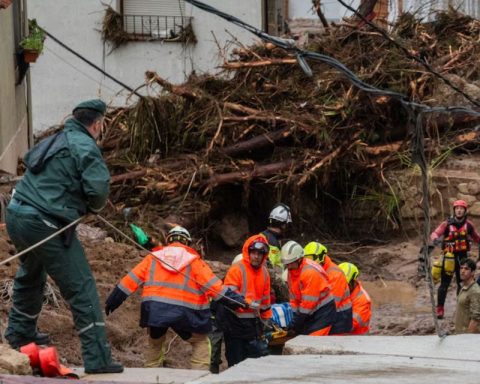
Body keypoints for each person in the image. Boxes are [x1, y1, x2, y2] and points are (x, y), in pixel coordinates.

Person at [4, 99, 123, 374]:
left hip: (16, 214)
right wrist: (92, 207)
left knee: (32, 272)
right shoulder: (86, 146)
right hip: (44, 222)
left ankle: (20, 335)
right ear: (97, 124)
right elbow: (98, 189)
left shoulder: (56, 139)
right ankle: (98, 358)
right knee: (81, 287)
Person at [105, 226, 245, 370]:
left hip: (155, 311)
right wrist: (238, 302)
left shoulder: (153, 258)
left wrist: (114, 300)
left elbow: (130, 280)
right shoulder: (194, 261)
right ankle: (198, 378)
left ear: (168, 240)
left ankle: (152, 378)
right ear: (187, 242)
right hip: (187, 314)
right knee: (200, 343)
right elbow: (216, 288)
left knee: (155, 343)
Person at [216, 235, 272, 367]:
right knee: (236, 363)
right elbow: (229, 296)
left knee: (254, 364)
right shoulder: (237, 269)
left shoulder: (265, 273)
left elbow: (265, 301)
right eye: (254, 253)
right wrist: (246, 302)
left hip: (253, 325)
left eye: (260, 253)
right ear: (248, 252)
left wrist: (266, 322)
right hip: (234, 324)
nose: (256, 256)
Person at [430, 199, 480, 319]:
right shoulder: (446, 224)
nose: (459, 210)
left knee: (461, 283)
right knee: (444, 284)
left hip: (462, 258)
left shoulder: (469, 225)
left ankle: (459, 307)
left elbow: (477, 238)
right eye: (457, 208)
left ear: (465, 211)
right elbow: (434, 234)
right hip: (449, 257)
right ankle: (440, 309)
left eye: (461, 209)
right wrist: (436, 239)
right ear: (454, 210)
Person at [281, 240, 337, 336]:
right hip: (310, 311)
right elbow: (294, 298)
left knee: (313, 340)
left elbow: (308, 304)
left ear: (299, 259)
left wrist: (296, 323)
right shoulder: (291, 271)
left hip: (324, 311)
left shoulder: (309, 272)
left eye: (290, 262)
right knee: (303, 336)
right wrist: (294, 319)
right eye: (286, 263)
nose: (288, 265)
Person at [303, 242, 352, 334]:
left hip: (338, 319)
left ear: (321, 258)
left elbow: (332, 305)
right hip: (324, 314)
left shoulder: (335, 274)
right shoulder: (314, 271)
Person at [338, 262, 372, 335]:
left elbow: (350, 325)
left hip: (357, 341)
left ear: (353, 281)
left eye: (345, 284)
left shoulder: (363, 300)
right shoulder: (338, 291)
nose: (342, 287)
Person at [455, 258, 480, 334]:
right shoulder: (464, 288)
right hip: (460, 335)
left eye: (466, 269)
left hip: (468, 339)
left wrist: (467, 339)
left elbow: (476, 318)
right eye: (461, 268)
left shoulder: (475, 291)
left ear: (472, 272)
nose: (462, 271)